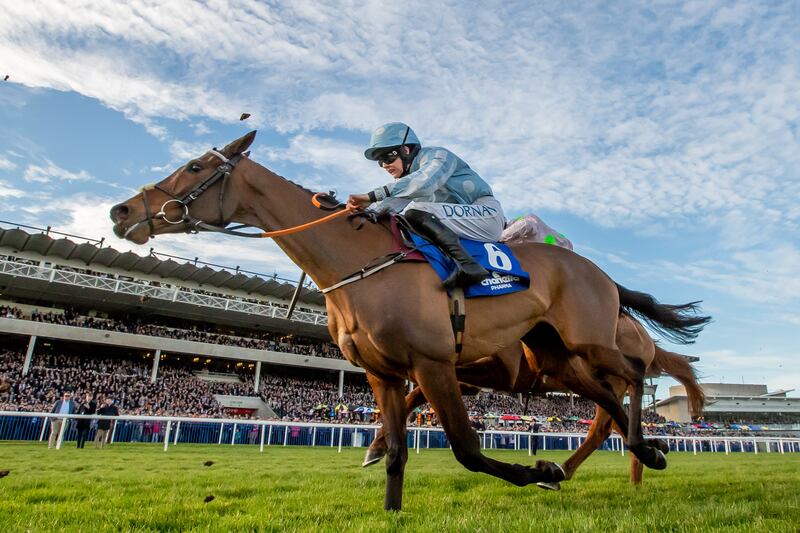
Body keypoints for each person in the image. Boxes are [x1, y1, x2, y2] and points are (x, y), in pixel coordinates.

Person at [347, 122, 506, 288]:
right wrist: (363, 212)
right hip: (463, 222)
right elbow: (388, 206)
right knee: (405, 217)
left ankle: (469, 266)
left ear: (405, 150)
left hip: (487, 214)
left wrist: (372, 195)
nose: (385, 165)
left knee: (415, 211)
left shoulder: (438, 155)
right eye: (380, 162)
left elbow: (424, 182)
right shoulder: (408, 182)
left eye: (388, 157)